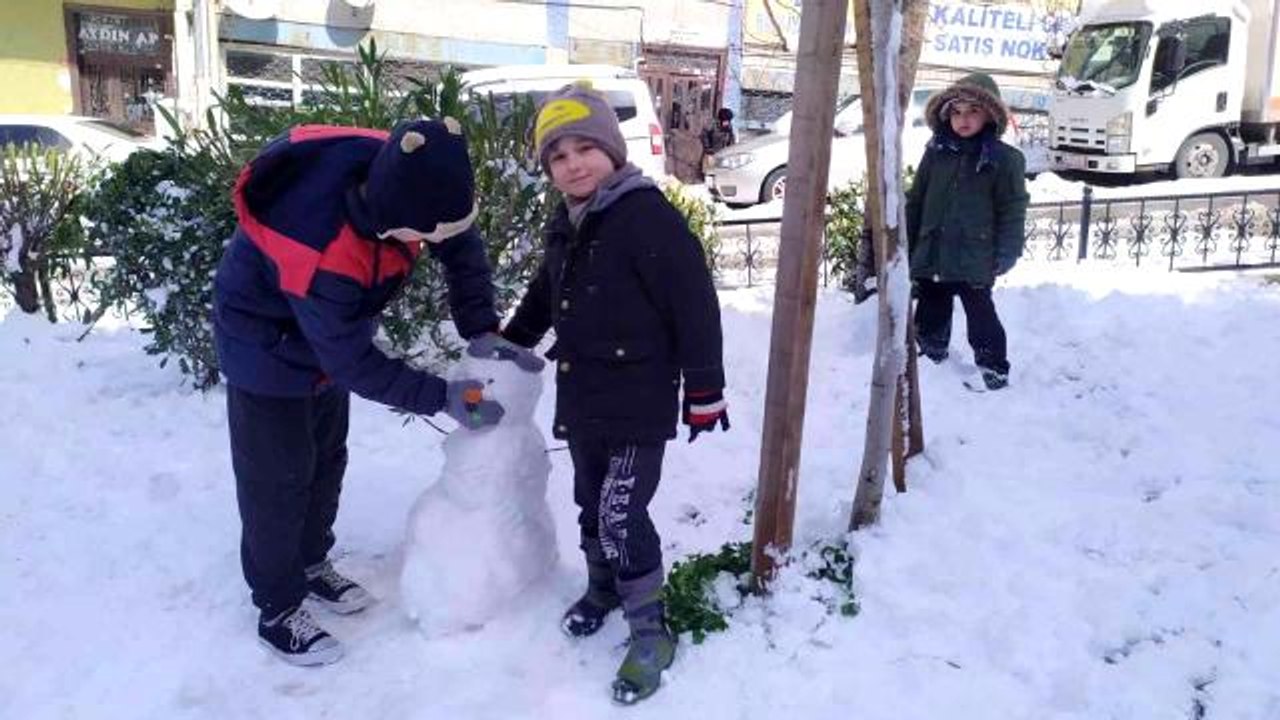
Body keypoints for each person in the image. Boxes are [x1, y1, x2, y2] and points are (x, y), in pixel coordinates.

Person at [212, 118, 541, 666]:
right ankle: (277, 607)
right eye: (424, 236)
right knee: (279, 478)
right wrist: (446, 397)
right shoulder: (322, 248)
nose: (430, 245)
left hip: (323, 330)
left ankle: (312, 563)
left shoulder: (415, 176)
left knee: (325, 459)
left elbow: (460, 247)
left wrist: (482, 328)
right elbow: (354, 364)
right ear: (395, 221)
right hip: (262, 342)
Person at [501, 83, 729, 705]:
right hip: (584, 394)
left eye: (585, 149)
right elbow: (547, 293)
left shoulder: (643, 215)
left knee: (620, 513)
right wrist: (512, 342)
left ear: (613, 149)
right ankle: (603, 587)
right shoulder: (569, 221)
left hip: (639, 400)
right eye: (558, 156)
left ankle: (650, 629)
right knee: (587, 501)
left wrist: (705, 386)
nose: (573, 164)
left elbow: (694, 304)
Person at [906, 73, 1029, 391]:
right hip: (934, 252)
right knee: (931, 310)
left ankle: (994, 367)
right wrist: (907, 242)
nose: (963, 119)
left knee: (981, 316)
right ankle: (931, 360)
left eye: (972, 111)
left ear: (990, 114)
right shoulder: (936, 152)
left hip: (976, 255)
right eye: (957, 112)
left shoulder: (1004, 160)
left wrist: (1007, 252)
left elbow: (1012, 209)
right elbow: (917, 199)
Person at [700, 107, 736, 175]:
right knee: (709, 170)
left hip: (723, 152)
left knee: (720, 171)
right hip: (711, 151)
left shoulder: (729, 126)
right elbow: (704, 135)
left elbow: (731, 138)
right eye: (726, 120)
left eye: (728, 120)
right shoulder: (712, 124)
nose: (727, 122)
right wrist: (708, 147)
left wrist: (731, 148)